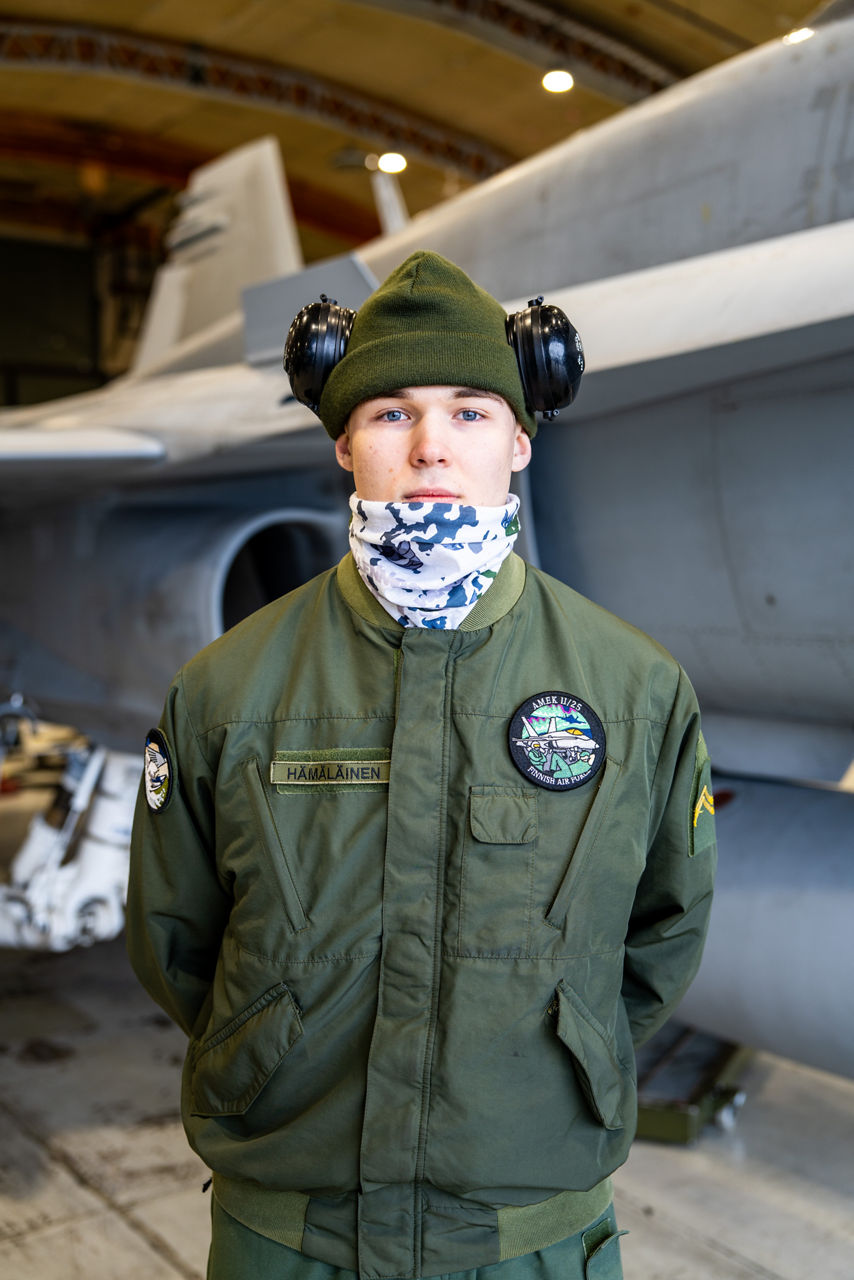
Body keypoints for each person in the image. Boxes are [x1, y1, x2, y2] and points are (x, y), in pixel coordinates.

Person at [126, 251, 717, 1280]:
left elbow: (660, 934)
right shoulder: (228, 686)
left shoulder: (634, 688)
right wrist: (278, 1039)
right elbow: (176, 938)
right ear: (344, 443)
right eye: (392, 413)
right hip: (287, 1232)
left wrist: (554, 1052)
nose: (432, 444)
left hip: (526, 1231)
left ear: (520, 442)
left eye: (470, 412)